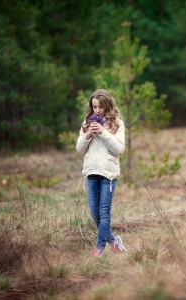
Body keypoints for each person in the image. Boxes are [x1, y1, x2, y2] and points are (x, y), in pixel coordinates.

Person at [76, 89, 127, 257]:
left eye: (100, 107)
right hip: (91, 172)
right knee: (94, 213)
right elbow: (79, 149)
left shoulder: (117, 123)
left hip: (108, 174)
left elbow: (119, 149)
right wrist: (88, 133)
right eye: (94, 107)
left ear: (107, 105)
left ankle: (99, 249)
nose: (97, 111)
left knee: (104, 212)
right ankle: (113, 241)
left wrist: (104, 132)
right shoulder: (86, 122)